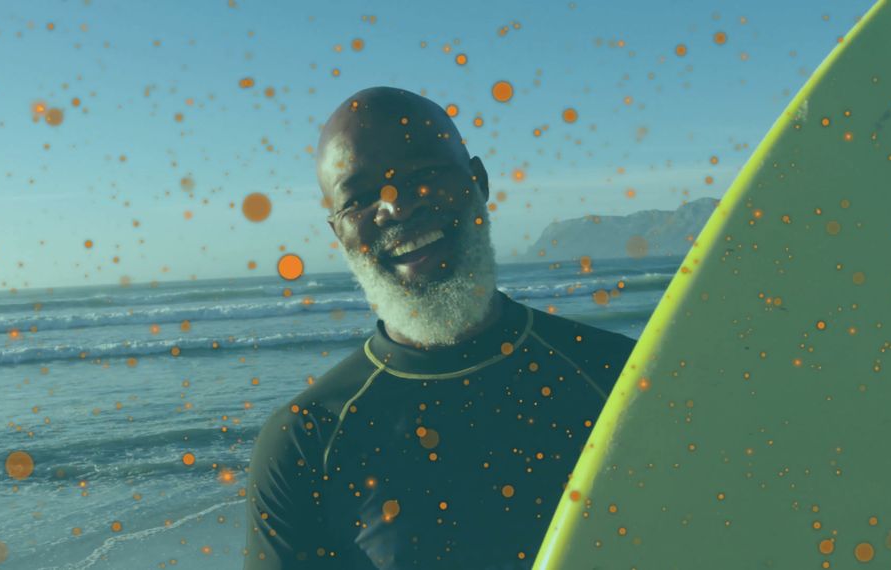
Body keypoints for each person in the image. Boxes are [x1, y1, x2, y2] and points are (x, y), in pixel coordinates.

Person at [242, 86, 637, 569]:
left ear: (478, 181)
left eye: (424, 173)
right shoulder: (306, 443)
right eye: (361, 198)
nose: (398, 207)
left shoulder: (618, 377)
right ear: (339, 233)